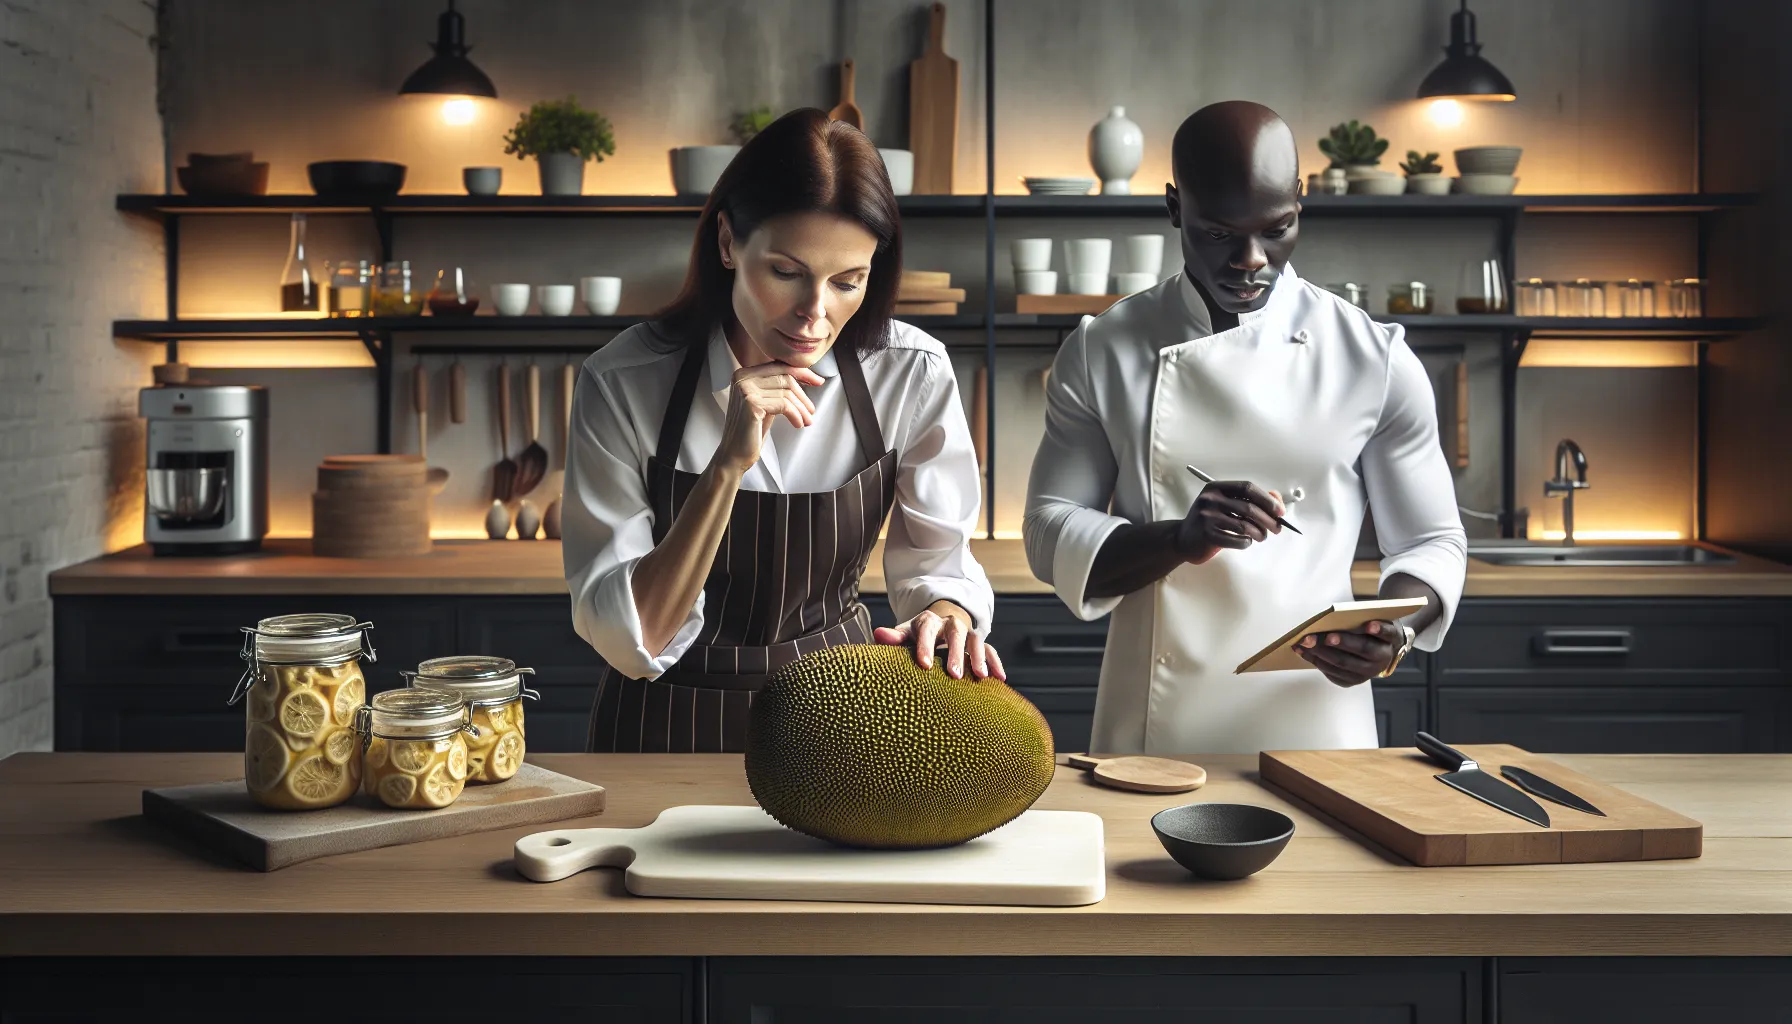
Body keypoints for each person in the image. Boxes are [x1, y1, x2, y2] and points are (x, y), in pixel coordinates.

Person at [1023, 100, 1467, 755]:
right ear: (1175, 209)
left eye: (1277, 229)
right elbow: (1047, 527)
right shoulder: (1103, 349)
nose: (1252, 259)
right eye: (1219, 233)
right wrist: (1180, 538)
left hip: (1316, 716)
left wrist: (1393, 631)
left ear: (1300, 201)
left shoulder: (1374, 358)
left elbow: (1431, 541)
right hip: (1156, 729)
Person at [563, 108, 1000, 753]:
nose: (813, 314)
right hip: (661, 726)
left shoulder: (911, 372)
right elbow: (634, 638)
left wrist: (947, 614)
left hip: (840, 721)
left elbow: (940, 563)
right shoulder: (623, 381)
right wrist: (725, 468)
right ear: (728, 243)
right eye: (787, 273)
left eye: (847, 282)